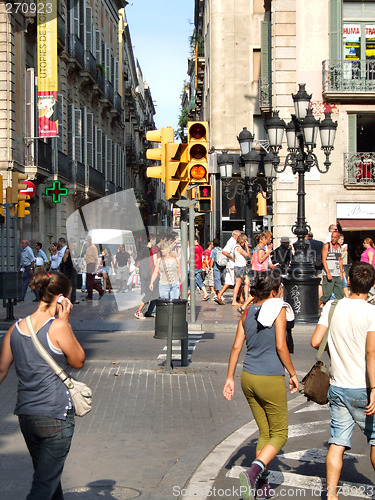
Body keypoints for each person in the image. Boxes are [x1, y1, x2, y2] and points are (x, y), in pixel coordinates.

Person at [0, 270, 85, 500]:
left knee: (48, 479)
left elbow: (1, 369)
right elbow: (78, 360)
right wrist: (65, 321)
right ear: (61, 298)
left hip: (27, 415)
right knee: (43, 486)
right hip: (55, 415)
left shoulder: (15, 329)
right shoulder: (57, 326)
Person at [223, 272, 299, 500]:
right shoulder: (279, 309)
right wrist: (293, 374)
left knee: (265, 433)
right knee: (280, 435)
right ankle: (253, 471)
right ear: (275, 291)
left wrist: (229, 378)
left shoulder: (247, 310)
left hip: (248, 377)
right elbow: (281, 345)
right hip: (270, 377)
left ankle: (262, 487)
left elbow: (237, 347)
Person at [311, 261, 375, 500]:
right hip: (364, 386)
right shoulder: (372, 312)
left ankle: (331, 494)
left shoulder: (333, 306)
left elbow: (316, 341)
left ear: (348, 280)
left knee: (337, 442)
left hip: (338, 385)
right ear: (372, 285)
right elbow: (371, 353)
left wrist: (335, 350)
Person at [214, 229, 241, 305]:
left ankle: (219, 295)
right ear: (234, 235)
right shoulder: (231, 241)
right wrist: (232, 257)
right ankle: (236, 300)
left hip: (231, 265)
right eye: (239, 236)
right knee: (237, 282)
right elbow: (224, 251)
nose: (240, 237)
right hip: (232, 265)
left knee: (230, 281)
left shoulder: (233, 241)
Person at [320, 230, 344, 305]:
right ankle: (315, 309)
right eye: (332, 237)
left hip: (337, 274)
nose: (333, 239)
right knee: (326, 295)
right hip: (329, 274)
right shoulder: (327, 246)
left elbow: (340, 260)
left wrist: (341, 272)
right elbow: (324, 259)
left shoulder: (339, 247)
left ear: (338, 238)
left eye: (335, 237)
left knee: (340, 295)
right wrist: (328, 272)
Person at [83, 235, 104, 301]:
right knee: (90, 282)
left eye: (86, 240)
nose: (85, 242)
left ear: (89, 240)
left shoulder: (93, 247)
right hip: (88, 265)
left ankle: (90, 296)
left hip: (92, 265)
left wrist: (95, 269)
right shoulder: (88, 247)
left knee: (90, 282)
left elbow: (96, 259)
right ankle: (100, 291)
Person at [232, 234, 251, 306]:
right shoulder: (239, 248)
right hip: (239, 267)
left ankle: (246, 299)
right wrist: (247, 247)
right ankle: (234, 301)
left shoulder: (235, 247)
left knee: (247, 282)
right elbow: (248, 255)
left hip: (241, 266)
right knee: (238, 284)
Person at [337, 234, 349, 298]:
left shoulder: (341, 248)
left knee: (344, 283)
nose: (342, 241)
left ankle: (347, 297)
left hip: (342, 267)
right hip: (337, 268)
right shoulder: (335, 247)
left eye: (343, 240)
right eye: (341, 239)